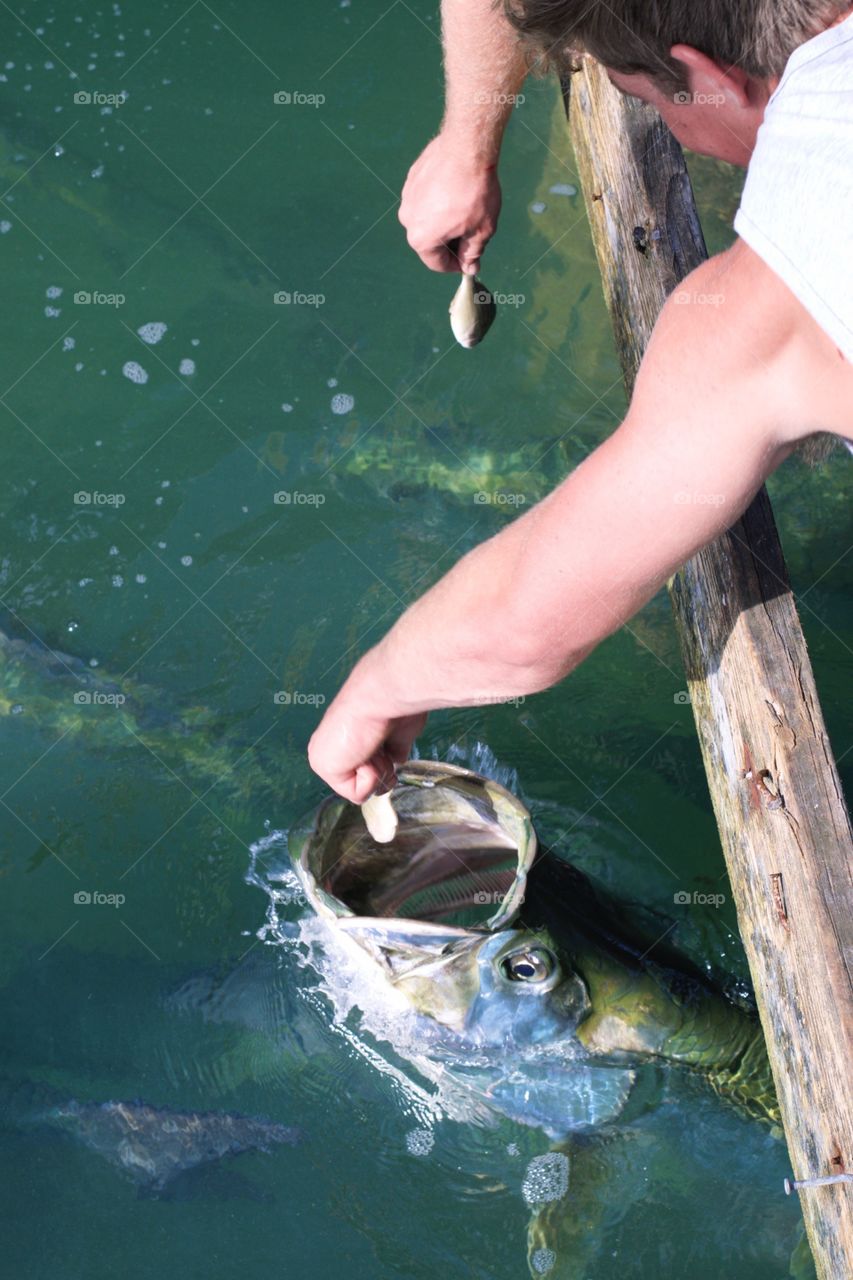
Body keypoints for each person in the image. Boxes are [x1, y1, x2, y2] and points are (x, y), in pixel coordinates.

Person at [308, 0, 853, 802]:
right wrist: (469, 138)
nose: (675, 129)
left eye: (650, 102)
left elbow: (527, 618)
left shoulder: (762, 314)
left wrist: (374, 691)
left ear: (702, 78)